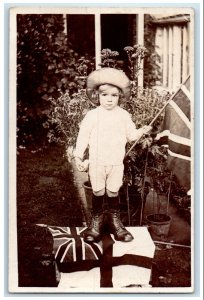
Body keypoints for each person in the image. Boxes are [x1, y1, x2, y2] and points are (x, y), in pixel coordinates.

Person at [74, 67, 152, 243]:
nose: (109, 99)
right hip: (97, 163)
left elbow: (131, 136)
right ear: (97, 96)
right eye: (105, 95)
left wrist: (142, 131)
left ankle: (115, 222)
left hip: (116, 163)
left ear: (120, 97)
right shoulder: (92, 116)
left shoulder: (123, 115)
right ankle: (96, 222)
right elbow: (83, 137)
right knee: (98, 190)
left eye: (114, 95)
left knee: (113, 191)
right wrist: (78, 157)